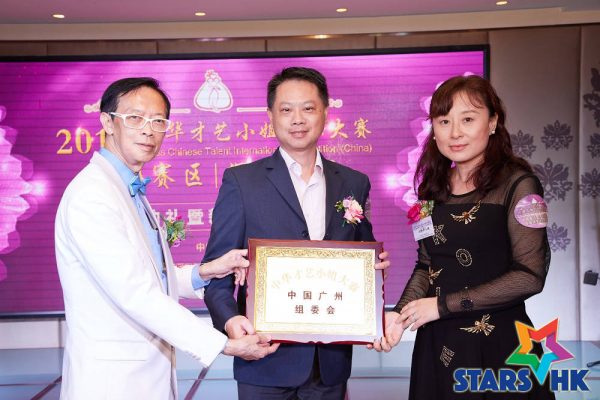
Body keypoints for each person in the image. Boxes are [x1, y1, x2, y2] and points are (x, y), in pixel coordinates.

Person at [54, 77, 278, 400]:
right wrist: (225, 344)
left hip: (145, 378)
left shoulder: (128, 189)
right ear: (107, 122)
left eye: (158, 121)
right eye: (135, 118)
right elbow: (135, 292)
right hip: (112, 384)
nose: (148, 130)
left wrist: (207, 271)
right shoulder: (91, 195)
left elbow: (150, 278)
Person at [202, 67, 389, 400]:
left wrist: (374, 272)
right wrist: (230, 322)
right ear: (271, 115)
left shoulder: (353, 183)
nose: (298, 119)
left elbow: (362, 254)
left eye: (308, 108)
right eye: (286, 109)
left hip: (329, 365)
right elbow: (217, 276)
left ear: (325, 112)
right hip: (263, 361)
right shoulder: (242, 182)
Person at [378, 75, 555, 399]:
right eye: (444, 121)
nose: (455, 132)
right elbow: (427, 265)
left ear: (493, 122)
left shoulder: (520, 185)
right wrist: (399, 316)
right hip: (438, 344)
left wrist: (441, 306)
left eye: (468, 119)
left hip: (501, 345)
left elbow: (530, 276)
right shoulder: (429, 189)